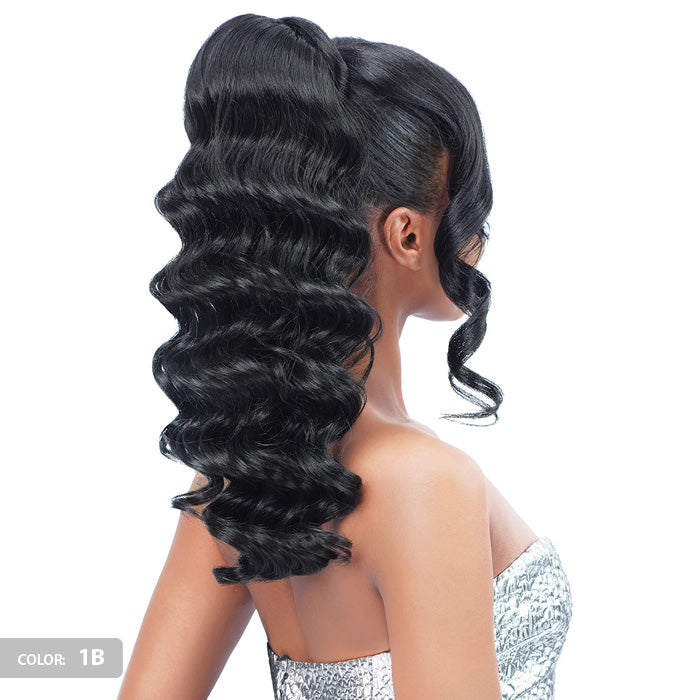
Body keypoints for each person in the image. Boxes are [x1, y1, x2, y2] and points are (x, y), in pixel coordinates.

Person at [118, 13, 573, 700]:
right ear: (407, 236)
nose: (482, 235)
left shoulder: (238, 481)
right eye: (473, 207)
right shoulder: (423, 482)